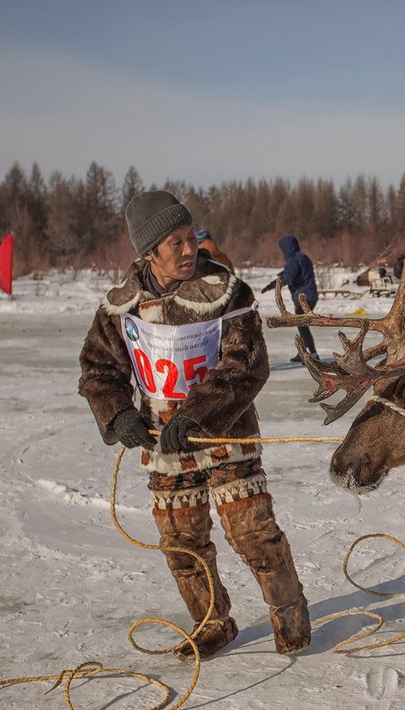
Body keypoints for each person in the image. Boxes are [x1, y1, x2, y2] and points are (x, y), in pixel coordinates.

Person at [78, 190, 310, 661]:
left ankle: (291, 617)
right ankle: (212, 624)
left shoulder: (227, 293)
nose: (189, 250)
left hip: (225, 436)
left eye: (190, 237)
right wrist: (120, 415)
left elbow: (248, 366)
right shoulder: (121, 308)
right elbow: (98, 370)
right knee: (182, 546)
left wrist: (196, 414)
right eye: (176, 243)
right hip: (163, 444)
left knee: (254, 536)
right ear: (149, 253)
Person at [271, 235, 320, 362]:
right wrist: (284, 273)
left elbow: (289, 277)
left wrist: (274, 284)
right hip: (310, 295)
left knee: (302, 325)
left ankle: (313, 355)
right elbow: (298, 274)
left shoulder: (293, 259)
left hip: (304, 297)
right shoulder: (303, 257)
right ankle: (302, 353)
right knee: (301, 324)